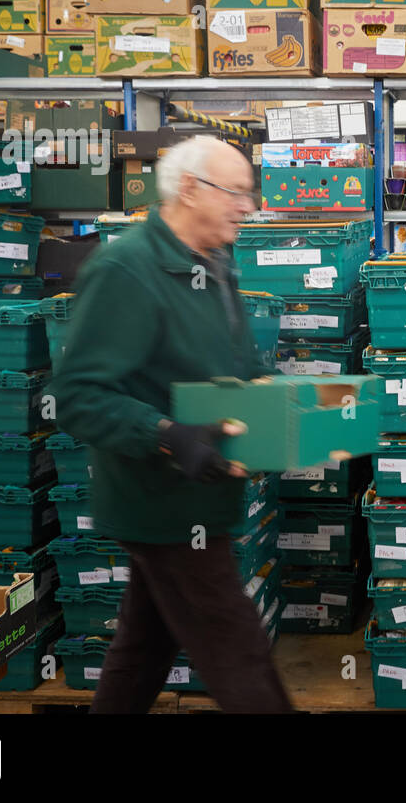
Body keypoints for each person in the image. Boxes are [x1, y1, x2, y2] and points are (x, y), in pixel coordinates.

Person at [50, 135, 292, 714]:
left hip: (205, 494)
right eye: (235, 192)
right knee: (239, 653)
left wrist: (291, 410)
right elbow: (78, 395)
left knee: (143, 648)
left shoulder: (214, 263)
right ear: (188, 189)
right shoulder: (127, 269)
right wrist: (166, 434)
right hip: (165, 504)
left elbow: (236, 365)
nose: (247, 206)